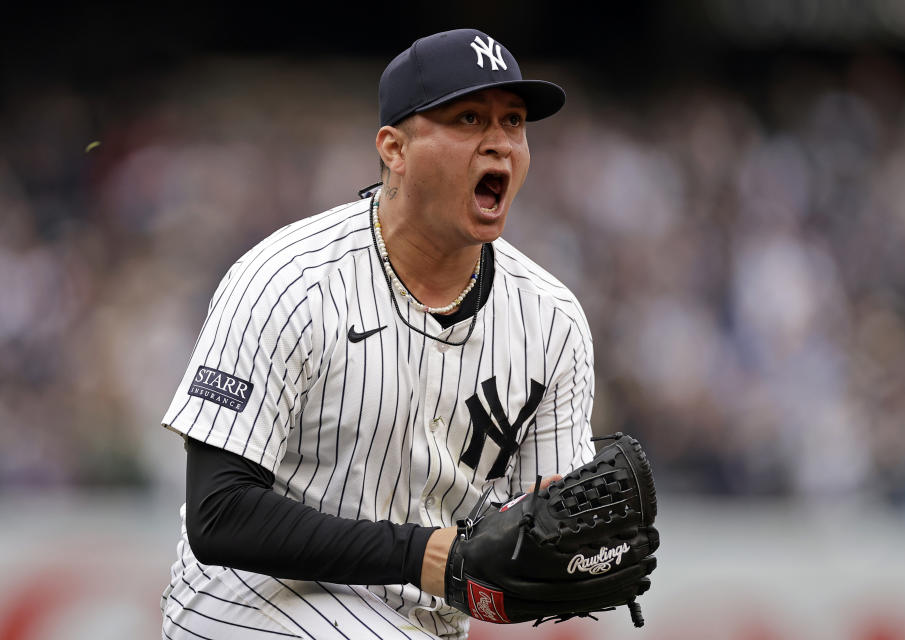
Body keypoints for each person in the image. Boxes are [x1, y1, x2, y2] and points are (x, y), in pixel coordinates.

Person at [160, 28, 596, 640]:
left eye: (515, 122)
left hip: (422, 621)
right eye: (469, 118)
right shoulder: (288, 281)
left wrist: (581, 552)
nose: (500, 144)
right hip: (252, 605)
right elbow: (219, 514)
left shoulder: (552, 321)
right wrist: (422, 554)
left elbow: (533, 548)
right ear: (394, 148)